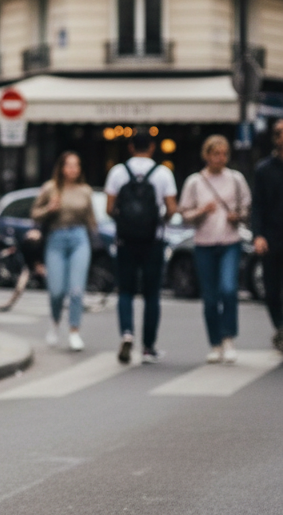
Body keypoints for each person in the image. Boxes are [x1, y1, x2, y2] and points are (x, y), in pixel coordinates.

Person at [104, 130, 178, 364]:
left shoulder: (118, 172)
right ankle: (148, 347)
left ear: (130, 147)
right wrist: (158, 220)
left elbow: (109, 208)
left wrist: (125, 222)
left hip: (126, 240)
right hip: (152, 240)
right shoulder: (163, 173)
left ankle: (127, 333)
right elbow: (172, 208)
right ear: (153, 147)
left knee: (125, 291)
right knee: (151, 294)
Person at [178, 135, 251, 363]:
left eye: (224, 154)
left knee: (228, 289)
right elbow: (184, 215)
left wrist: (237, 216)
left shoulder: (236, 179)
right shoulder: (195, 182)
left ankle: (228, 337)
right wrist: (201, 211)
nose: (221, 158)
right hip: (204, 244)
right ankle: (215, 342)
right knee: (209, 297)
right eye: (216, 153)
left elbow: (247, 208)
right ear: (207, 155)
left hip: (230, 240)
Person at [31, 152, 95, 352]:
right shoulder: (51, 188)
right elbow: (34, 214)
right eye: (69, 165)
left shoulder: (85, 191)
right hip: (56, 238)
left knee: (76, 290)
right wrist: (49, 209)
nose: (73, 169)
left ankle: (74, 331)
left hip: (79, 238)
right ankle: (55, 322)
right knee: (57, 290)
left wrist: (98, 241)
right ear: (61, 167)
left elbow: (91, 220)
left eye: (76, 165)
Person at [251, 118, 283, 352]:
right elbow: (257, 206)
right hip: (272, 237)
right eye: (278, 133)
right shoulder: (264, 169)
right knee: (271, 290)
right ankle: (280, 327)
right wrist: (258, 235)